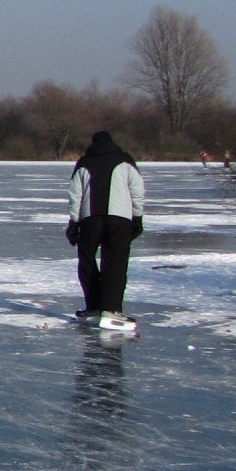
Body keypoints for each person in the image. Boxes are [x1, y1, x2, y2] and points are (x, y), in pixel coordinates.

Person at [68, 131, 146, 330]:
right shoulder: (125, 160)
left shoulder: (84, 162)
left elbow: (75, 195)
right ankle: (111, 309)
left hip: (89, 220)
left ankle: (93, 306)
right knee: (116, 263)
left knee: (86, 261)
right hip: (119, 220)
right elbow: (137, 190)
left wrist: (74, 223)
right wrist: (137, 218)